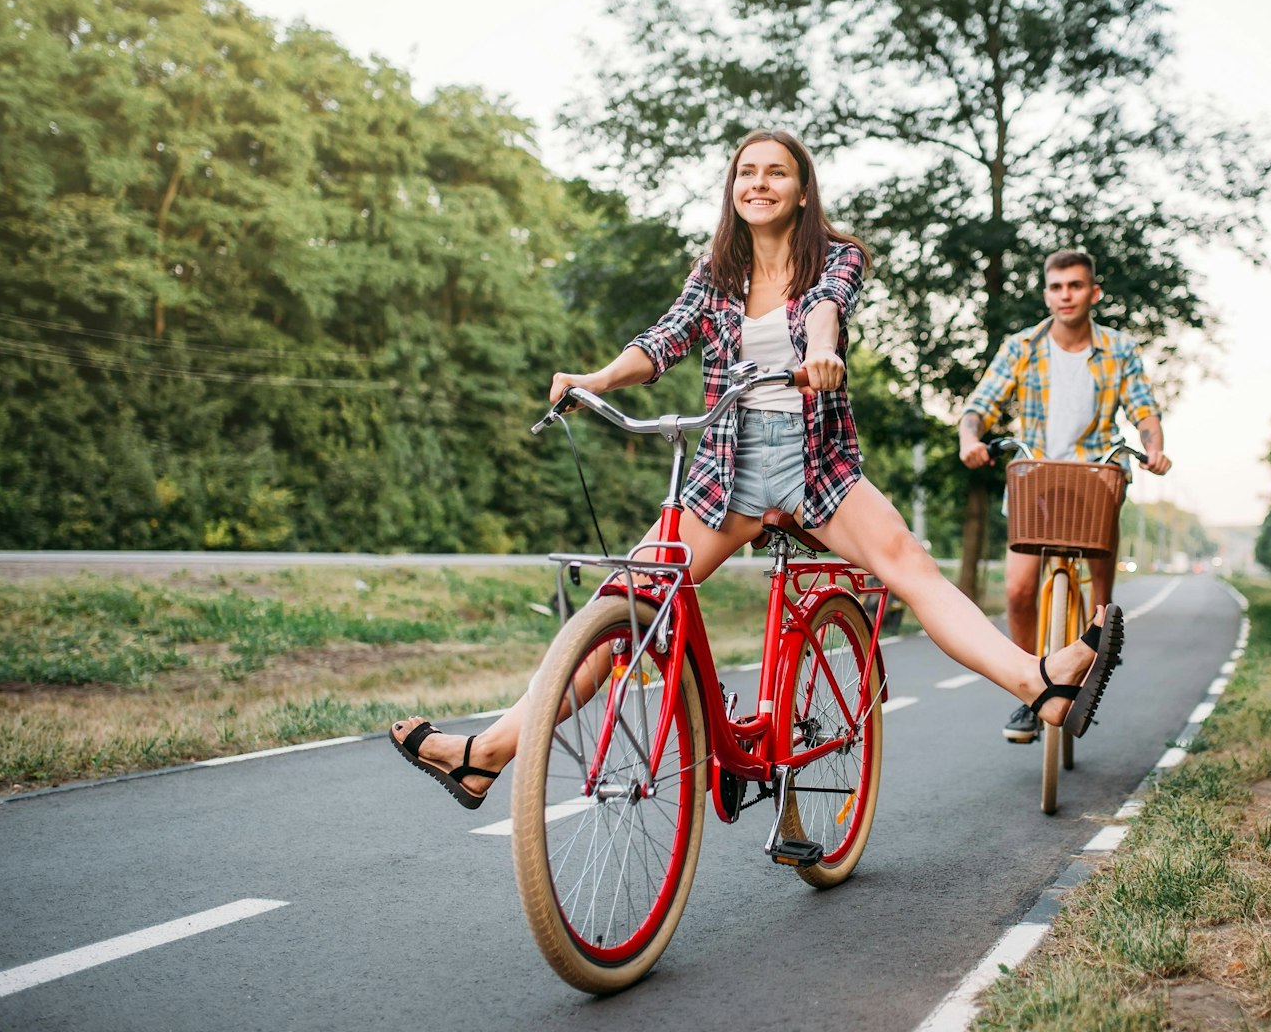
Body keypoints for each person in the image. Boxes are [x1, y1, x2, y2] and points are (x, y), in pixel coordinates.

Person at [388, 130, 1123, 809]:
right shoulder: (716, 271)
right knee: (621, 609)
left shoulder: (837, 255)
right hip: (725, 471)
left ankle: (1040, 683)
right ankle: (485, 755)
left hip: (815, 464)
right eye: (747, 172)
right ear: (733, 187)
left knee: (909, 563)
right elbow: (666, 338)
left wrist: (822, 352)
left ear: (802, 191)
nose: (760, 183)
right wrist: (598, 378)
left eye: (777, 172)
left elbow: (826, 308)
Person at [957, 249, 1172, 745]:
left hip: (1094, 474)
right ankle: (1030, 689)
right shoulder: (1022, 347)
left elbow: (1143, 409)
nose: (1065, 295)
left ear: (1093, 293)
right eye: (1056, 287)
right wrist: (970, 439)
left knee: (1101, 584)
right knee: (1018, 591)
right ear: (1046, 294)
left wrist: (1155, 448)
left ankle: (1100, 635)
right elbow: (980, 406)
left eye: (1075, 286)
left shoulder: (1119, 348)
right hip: (1037, 476)